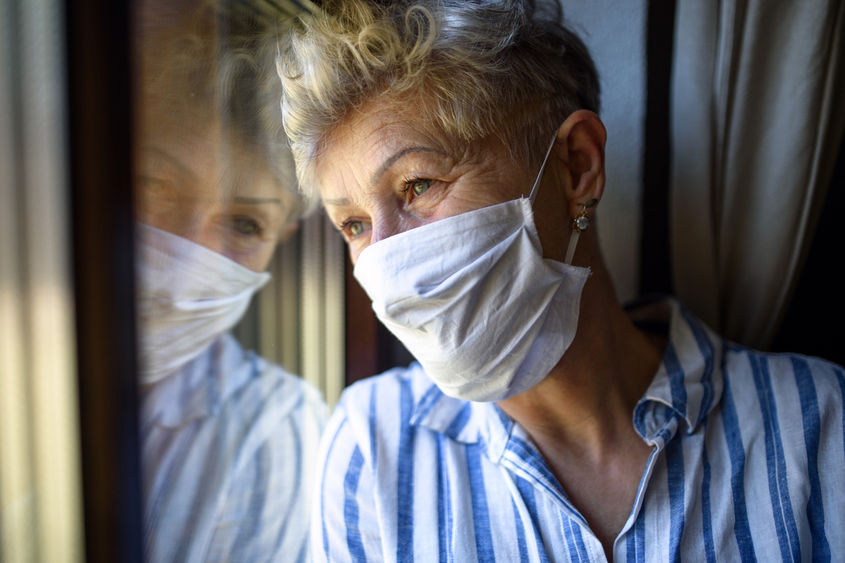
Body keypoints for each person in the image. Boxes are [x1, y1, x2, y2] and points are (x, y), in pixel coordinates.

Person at [277, 0, 845, 560]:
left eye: (418, 184)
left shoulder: (818, 427)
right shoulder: (372, 452)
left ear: (577, 167)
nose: (386, 259)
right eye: (353, 224)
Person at [134, 1, 327, 560]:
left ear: (282, 237)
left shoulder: (271, 435)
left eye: (245, 224)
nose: (187, 260)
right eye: (153, 185)